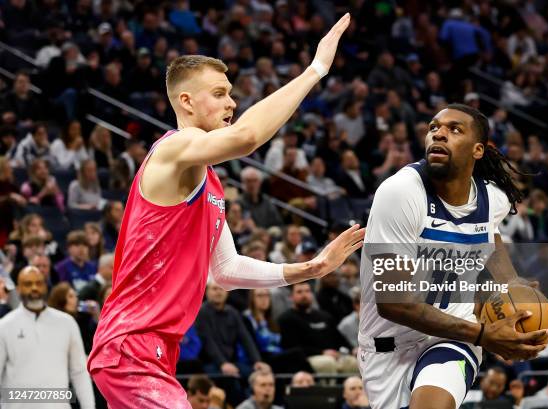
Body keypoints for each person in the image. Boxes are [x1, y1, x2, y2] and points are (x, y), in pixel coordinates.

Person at [88, 13, 363, 409]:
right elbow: (248, 137)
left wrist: (311, 269)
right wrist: (315, 70)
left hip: (155, 350)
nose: (232, 102)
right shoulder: (173, 149)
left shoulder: (208, 180)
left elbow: (227, 270)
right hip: (130, 345)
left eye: (231, 93)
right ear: (186, 101)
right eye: (219, 93)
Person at [358, 104, 548, 409]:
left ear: (477, 150)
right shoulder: (400, 193)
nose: (440, 134)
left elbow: (491, 241)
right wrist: (485, 334)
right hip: (387, 348)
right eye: (434, 128)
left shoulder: (492, 199)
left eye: (454, 129)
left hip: (454, 337)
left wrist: (511, 285)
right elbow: (393, 304)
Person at [0, 266, 96, 409]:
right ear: (18, 289)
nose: (34, 288)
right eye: (28, 284)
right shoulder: (5, 326)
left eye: (39, 283)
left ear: (46, 286)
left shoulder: (67, 323)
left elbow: (79, 371)